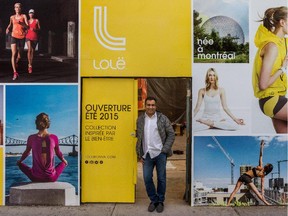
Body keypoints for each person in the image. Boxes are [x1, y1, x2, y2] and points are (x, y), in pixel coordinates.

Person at [136, 96, 175, 213]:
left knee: (161, 179)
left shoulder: (162, 118)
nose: (150, 107)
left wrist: (165, 150)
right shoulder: (140, 119)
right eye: (148, 105)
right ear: (145, 106)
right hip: (147, 154)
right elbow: (139, 137)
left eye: (153, 105)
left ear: (156, 106)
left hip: (160, 153)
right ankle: (154, 200)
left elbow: (171, 134)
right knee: (147, 178)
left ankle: (160, 201)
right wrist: (139, 154)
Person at [252, 6, 288, 133]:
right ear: (282, 22)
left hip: (278, 99)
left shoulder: (282, 43)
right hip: (271, 100)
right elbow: (263, 84)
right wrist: (282, 68)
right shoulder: (272, 46)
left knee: (285, 141)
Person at [17, 113, 68, 182]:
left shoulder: (31, 138)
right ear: (48, 123)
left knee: (20, 164)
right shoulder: (54, 137)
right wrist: (64, 160)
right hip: (51, 178)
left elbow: (27, 152)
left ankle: (22, 164)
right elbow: (58, 153)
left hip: (35, 177)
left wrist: (20, 161)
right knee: (63, 163)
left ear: (36, 123)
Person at [193, 68, 245, 132]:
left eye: (214, 75)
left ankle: (210, 124)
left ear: (216, 77)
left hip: (218, 118)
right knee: (192, 127)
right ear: (207, 77)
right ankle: (213, 124)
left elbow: (225, 107)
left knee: (235, 126)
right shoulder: (202, 91)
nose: (212, 77)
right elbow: (197, 108)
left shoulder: (221, 90)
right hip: (205, 118)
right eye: (210, 75)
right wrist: (189, 119)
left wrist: (235, 119)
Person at [227, 140, 273, 206]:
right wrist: (262, 194)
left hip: (243, 176)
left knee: (235, 191)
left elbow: (261, 156)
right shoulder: (263, 174)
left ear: (267, 167)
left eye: (267, 164)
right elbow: (262, 186)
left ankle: (228, 204)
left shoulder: (260, 167)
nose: (266, 163)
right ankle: (267, 203)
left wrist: (261, 146)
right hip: (247, 178)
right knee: (257, 192)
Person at [6, 3, 28, 80]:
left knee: (19, 56)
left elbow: (27, 26)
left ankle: (16, 62)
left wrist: (22, 23)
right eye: (16, 7)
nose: (17, 8)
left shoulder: (24, 16)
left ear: (20, 8)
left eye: (18, 7)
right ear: (14, 9)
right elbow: (10, 24)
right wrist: (8, 28)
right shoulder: (12, 17)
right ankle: (15, 72)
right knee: (14, 53)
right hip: (14, 36)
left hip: (22, 37)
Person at [26, 9, 40, 74]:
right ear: (28, 14)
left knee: (33, 51)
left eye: (32, 13)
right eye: (30, 13)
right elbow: (25, 28)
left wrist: (34, 29)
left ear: (33, 14)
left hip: (34, 37)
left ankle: (30, 64)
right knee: (29, 49)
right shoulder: (27, 21)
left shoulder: (36, 20)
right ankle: (30, 65)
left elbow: (39, 28)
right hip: (28, 37)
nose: (31, 14)